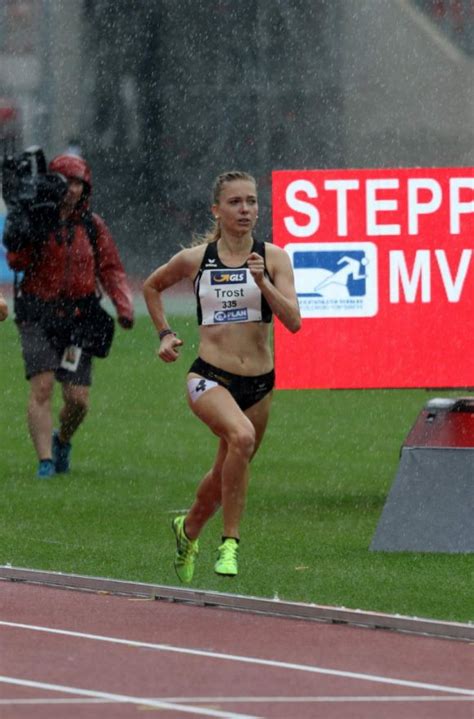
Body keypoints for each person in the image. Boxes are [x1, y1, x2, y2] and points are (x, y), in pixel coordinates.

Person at [143, 170, 301, 582]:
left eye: (251, 201)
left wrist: (263, 282)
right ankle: (230, 543)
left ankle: (188, 529)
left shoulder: (273, 258)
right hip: (209, 376)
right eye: (235, 202)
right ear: (217, 209)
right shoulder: (196, 260)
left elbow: (294, 321)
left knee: (225, 471)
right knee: (242, 438)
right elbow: (151, 286)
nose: (245, 209)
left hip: (260, 383)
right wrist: (164, 335)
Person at [3, 153, 134, 478]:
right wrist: (27, 227)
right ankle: (45, 460)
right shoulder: (36, 218)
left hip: (79, 318)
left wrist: (123, 305)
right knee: (43, 387)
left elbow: (111, 268)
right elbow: (17, 261)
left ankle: (62, 440)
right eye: (67, 182)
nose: (73, 190)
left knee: (78, 400)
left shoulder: (92, 226)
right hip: (37, 314)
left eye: (79, 183)